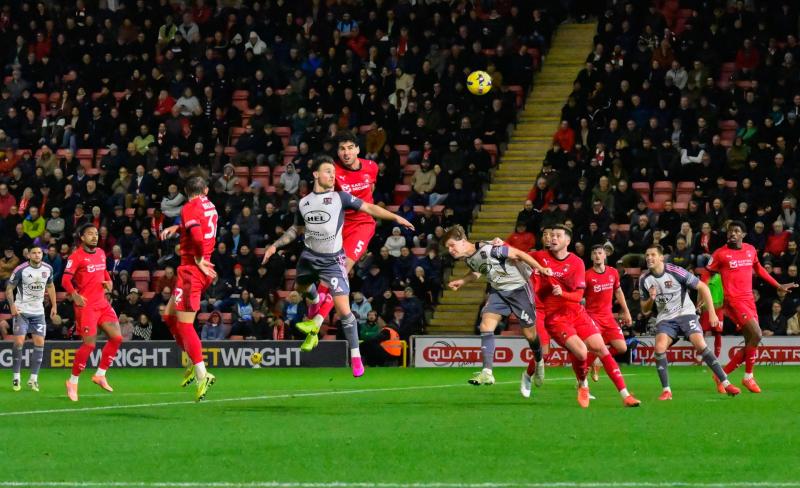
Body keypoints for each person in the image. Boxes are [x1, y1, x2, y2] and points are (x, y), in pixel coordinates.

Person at [261, 155, 414, 377]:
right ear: (315, 174)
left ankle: (355, 357)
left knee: (344, 310)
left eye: (333, 172)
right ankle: (314, 301)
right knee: (299, 292)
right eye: (327, 172)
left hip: (332, 261)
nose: (332, 176)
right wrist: (274, 246)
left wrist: (395, 218)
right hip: (308, 258)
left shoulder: (340, 197)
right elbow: (295, 230)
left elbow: (369, 208)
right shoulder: (304, 203)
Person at [529, 224, 641, 408]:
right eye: (551, 235)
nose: (552, 238)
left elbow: (578, 296)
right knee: (581, 351)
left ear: (567, 240)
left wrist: (562, 293)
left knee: (604, 349)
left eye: (558, 235)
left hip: (578, 314)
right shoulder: (540, 257)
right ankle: (583, 383)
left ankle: (626, 395)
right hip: (556, 318)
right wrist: (500, 245)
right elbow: (517, 254)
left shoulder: (577, 263)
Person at [443, 224, 552, 391]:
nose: (450, 250)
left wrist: (541, 268)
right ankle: (487, 371)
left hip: (519, 290)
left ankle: (539, 361)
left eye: (452, 245)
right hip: (499, 292)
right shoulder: (469, 257)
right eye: (448, 247)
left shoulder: (490, 249)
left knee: (530, 335)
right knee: (485, 325)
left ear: (463, 241)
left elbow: (519, 254)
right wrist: (462, 281)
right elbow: (478, 271)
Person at [297, 132, 380, 325]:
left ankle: (317, 321)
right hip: (340, 224)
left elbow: (371, 191)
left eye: (350, 147)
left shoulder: (371, 167)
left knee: (340, 271)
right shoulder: (333, 170)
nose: (346, 152)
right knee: (325, 276)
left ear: (358, 149)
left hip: (363, 224)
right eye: (342, 149)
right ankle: (314, 311)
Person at [706, 221, 798, 393]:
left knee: (751, 341)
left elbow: (759, 268)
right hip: (733, 300)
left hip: (749, 300)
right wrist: (704, 292)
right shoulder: (720, 254)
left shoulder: (750, 250)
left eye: (736, 231)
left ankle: (721, 375)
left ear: (743, 234)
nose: (732, 234)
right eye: (730, 231)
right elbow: (707, 273)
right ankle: (748, 377)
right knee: (757, 334)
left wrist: (778, 285)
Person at [640, 245, 741, 400]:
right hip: (666, 318)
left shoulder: (675, 271)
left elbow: (703, 288)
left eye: (653, 255)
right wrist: (651, 299)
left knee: (700, 344)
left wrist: (712, 314)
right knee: (659, 347)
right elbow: (644, 310)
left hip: (685, 313)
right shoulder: (644, 280)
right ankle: (666, 390)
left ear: (661, 257)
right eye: (647, 255)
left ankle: (726, 383)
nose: (649, 258)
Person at [159, 176, 219, 402]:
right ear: (205, 189)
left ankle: (202, 373)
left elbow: (196, 234)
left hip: (192, 271)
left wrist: (199, 258)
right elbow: (196, 226)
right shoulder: (209, 205)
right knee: (168, 316)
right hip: (192, 271)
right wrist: (178, 227)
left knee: (184, 325)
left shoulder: (189, 207)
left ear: (186, 192)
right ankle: (195, 363)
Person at [62, 224, 124, 402]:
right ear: (82, 237)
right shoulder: (76, 257)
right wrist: (74, 295)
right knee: (89, 345)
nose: (94, 237)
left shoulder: (101, 253)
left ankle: (100, 374)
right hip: (86, 306)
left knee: (117, 338)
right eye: (90, 234)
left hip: (102, 303)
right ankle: (72, 382)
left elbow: (103, 271)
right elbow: (65, 279)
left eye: (96, 234)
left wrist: (109, 281)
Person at [7, 246, 56, 392]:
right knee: (19, 342)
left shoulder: (48, 268)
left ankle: (33, 379)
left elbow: (51, 286)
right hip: (22, 311)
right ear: (28, 255)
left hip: (38, 312)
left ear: (42, 254)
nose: (36, 255)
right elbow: (9, 288)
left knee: (40, 343)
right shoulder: (21, 269)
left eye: (39, 253)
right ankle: (16, 377)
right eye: (33, 253)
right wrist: (12, 306)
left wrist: (54, 306)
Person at [584, 245, 632, 382]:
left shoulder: (613, 272)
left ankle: (597, 362)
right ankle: (581, 378)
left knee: (622, 348)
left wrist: (626, 312)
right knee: (595, 346)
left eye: (600, 253)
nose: (597, 256)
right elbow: (579, 296)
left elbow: (618, 292)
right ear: (591, 257)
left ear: (605, 255)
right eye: (594, 253)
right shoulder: (587, 276)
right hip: (592, 317)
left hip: (608, 317)